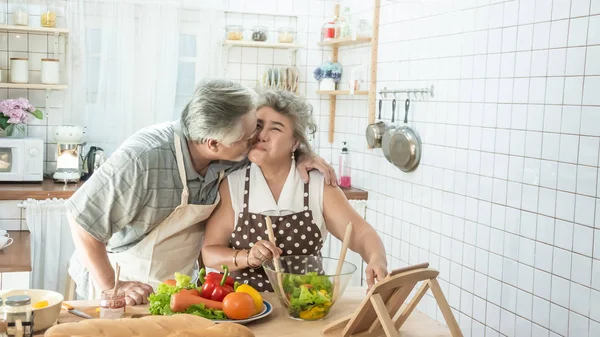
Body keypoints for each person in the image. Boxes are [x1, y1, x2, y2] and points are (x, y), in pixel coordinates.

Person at [66, 79, 337, 305]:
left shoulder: (230, 152)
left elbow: (276, 147)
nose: (255, 139)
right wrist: (112, 285)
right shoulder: (143, 160)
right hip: (124, 282)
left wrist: (301, 154)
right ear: (213, 144)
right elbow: (81, 221)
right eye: (249, 136)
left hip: (178, 287)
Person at [202, 89, 388, 292]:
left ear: (295, 143)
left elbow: (360, 233)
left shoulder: (317, 185)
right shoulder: (234, 184)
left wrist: (377, 259)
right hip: (247, 307)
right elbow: (210, 253)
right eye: (258, 126)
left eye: (276, 129)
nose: (262, 136)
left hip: (308, 306)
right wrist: (247, 256)